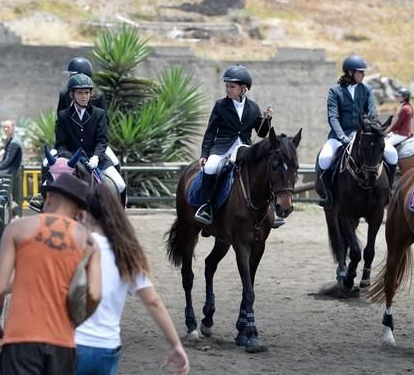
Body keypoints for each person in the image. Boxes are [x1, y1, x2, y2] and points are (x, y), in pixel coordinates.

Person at [0, 173, 102, 374]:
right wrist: (75, 321)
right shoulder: (89, 242)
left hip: (19, 340)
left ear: (48, 197)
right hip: (63, 343)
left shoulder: (17, 229)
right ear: (80, 210)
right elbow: (94, 294)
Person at [75, 184, 189, 375]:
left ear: (85, 214)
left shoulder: (74, 246)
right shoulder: (126, 253)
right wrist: (176, 344)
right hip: (106, 346)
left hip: (73, 342)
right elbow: (153, 302)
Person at [195, 64, 274, 226]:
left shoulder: (253, 107)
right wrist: (204, 153)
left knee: (264, 168)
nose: (228, 90)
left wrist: (267, 119)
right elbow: (210, 132)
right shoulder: (220, 105)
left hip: (243, 148)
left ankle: (271, 208)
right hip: (222, 147)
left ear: (243, 88)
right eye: (227, 86)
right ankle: (205, 206)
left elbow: (261, 133)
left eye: (232, 86)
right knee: (210, 167)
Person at [315, 55, 397, 207]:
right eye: (361, 72)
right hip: (340, 135)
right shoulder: (335, 91)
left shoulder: (366, 90)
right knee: (324, 158)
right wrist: (342, 136)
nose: (364, 75)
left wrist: (373, 130)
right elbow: (333, 117)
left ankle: (388, 192)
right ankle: (328, 196)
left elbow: (372, 113)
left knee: (392, 154)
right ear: (351, 72)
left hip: (365, 134)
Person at [55, 73, 126, 198]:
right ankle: (43, 204)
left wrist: (96, 157)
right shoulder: (64, 116)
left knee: (120, 185)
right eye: (80, 93)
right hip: (71, 161)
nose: (84, 97)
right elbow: (61, 144)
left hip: (97, 160)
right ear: (72, 95)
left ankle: (118, 215)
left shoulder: (99, 114)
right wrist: (70, 159)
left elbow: (102, 140)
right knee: (49, 180)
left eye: (86, 93)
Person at [56, 57, 121, 170]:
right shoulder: (64, 94)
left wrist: (96, 156)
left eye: (72, 75)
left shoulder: (98, 96)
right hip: (69, 149)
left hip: (94, 147)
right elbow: (60, 122)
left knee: (118, 174)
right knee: (46, 163)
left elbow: (104, 124)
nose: (84, 96)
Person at [0, 120, 24, 213]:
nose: (5, 129)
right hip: (14, 169)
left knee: (15, 195)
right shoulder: (9, 140)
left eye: (8, 127)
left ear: (13, 128)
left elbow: (8, 160)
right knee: (14, 195)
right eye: (4, 127)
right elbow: (4, 157)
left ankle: (13, 215)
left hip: (14, 170)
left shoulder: (14, 142)